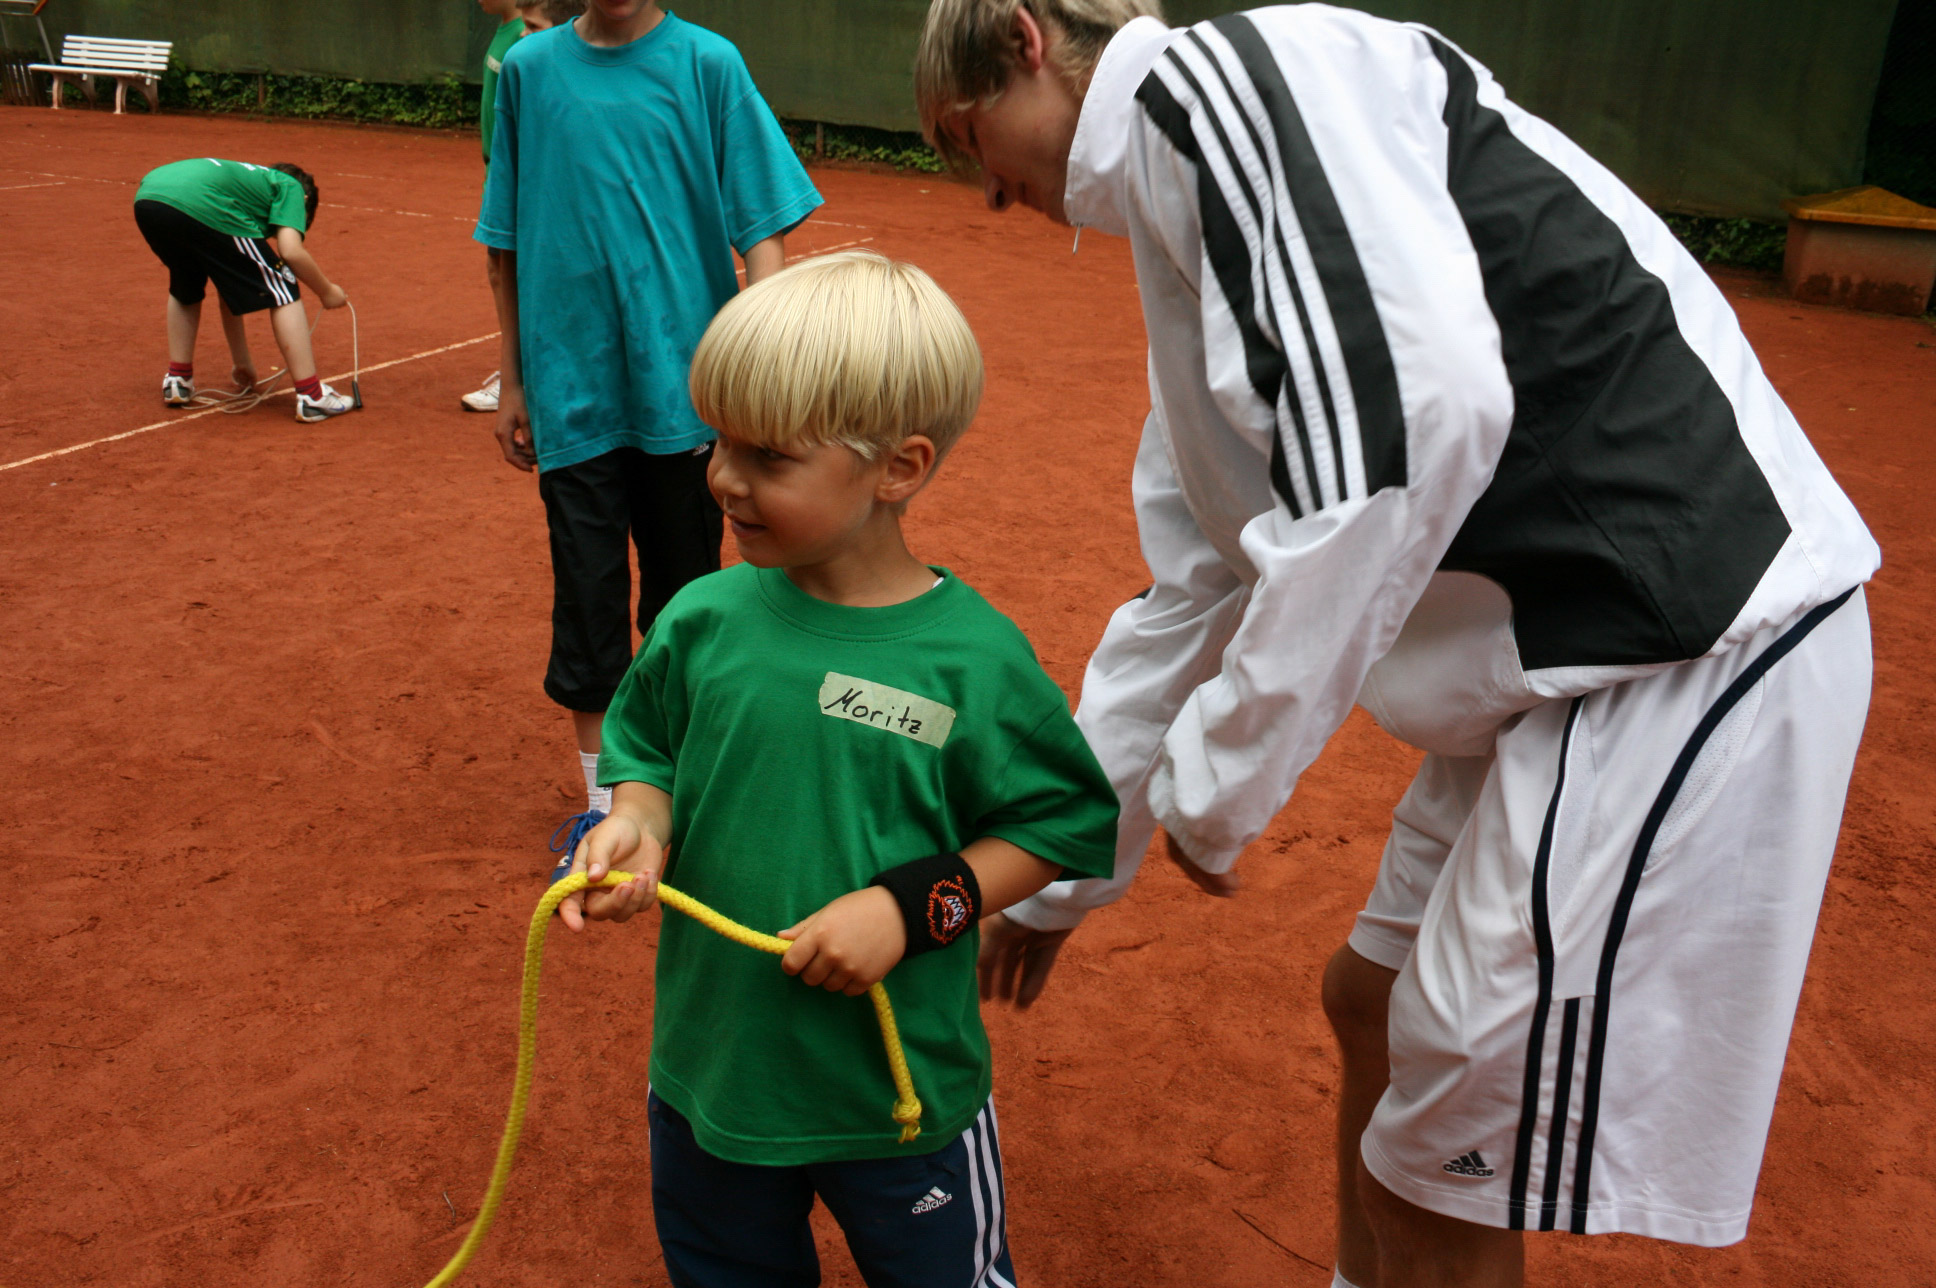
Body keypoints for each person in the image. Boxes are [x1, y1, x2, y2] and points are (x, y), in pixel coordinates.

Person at [914, 2, 1880, 1285]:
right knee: (1369, 1005)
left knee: (1441, 1157)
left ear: (1025, 40)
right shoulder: (1190, 228)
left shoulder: (1228, 82)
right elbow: (1193, 592)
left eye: (962, 135)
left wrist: (1220, 786)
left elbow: (1417, 418)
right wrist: (1068, 870)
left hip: (1682, 643)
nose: (980, 188)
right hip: (1546, 670)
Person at [558, 250, 1119, 1286]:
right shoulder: (701, 617)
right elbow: (648, 752)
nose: (722, 476)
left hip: (897, 1103)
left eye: (767, 455)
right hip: (713, 1083)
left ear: (897, 468)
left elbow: (1060, 825)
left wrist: (911, 911)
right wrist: (639, 821)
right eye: (719, 439)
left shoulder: (972, 661)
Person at [474, 0, 822, 869]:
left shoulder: (709, 63)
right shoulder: (529, 70)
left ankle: (675, 791)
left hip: (688, 396)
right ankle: (603, 809)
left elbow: (764, 229)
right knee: (587, 600)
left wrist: (752, 364)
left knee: (683, 604)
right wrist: (515, 380)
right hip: (572, 392)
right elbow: (506, 241)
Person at [134, 158, 353, 422]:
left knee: (186, 282)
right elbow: (291, 251)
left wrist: (242, 362)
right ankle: (312, 397)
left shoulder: (247, 187)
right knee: (282, 286)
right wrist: (327, 291)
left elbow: (232, 292)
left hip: (150, 198)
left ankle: (178, 380)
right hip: (200, 202)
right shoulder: (292, 187)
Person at [459, 0, 585, 414]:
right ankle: (520, 372)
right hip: (502, 173)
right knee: (499, 268)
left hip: (523, 179)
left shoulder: (529, 48)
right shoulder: (512, 34)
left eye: (535, 26)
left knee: (526, 275)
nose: (527, 35)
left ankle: (529, 375)